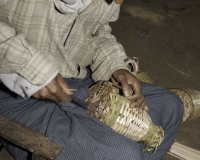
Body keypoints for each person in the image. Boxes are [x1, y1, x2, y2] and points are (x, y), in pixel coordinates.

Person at [0, 0, 183, 159]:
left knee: (171, 106)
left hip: (78, 77)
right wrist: (33, 68)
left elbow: (98, 29)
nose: (118, 2)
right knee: (124, 154)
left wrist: (114, 66)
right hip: (14, 93)